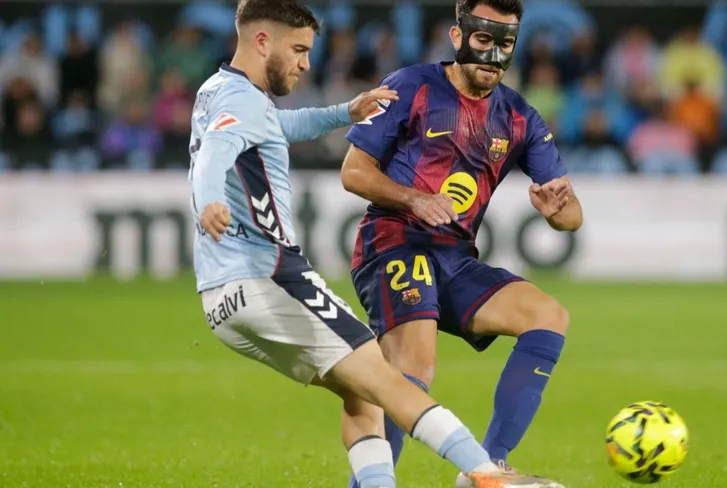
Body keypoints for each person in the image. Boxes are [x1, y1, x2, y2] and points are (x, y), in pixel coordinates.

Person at [189, 1, 566, 487]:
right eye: (299, 50)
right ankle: (486, 474)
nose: (306, 63)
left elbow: (281, 127)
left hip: (220, 297)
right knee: (389, 380)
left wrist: (344, 112)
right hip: (270, 276)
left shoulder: (218, 92)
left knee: (362, 394)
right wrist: (208, 199)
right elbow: (213, 156)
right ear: (263, 42)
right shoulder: (242, 101)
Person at [340, 0, 583, 486]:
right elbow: (353, 172)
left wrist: (558, 212)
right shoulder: (411, 86)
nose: (493, 57)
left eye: (505, 45)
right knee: (414, 365)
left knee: (548, 316)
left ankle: (486, 470)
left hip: (455, 259)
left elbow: (571, 213)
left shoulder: (519, 117)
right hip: (395, 241)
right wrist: (414, 198)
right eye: (483, 40)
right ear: (458, 37)